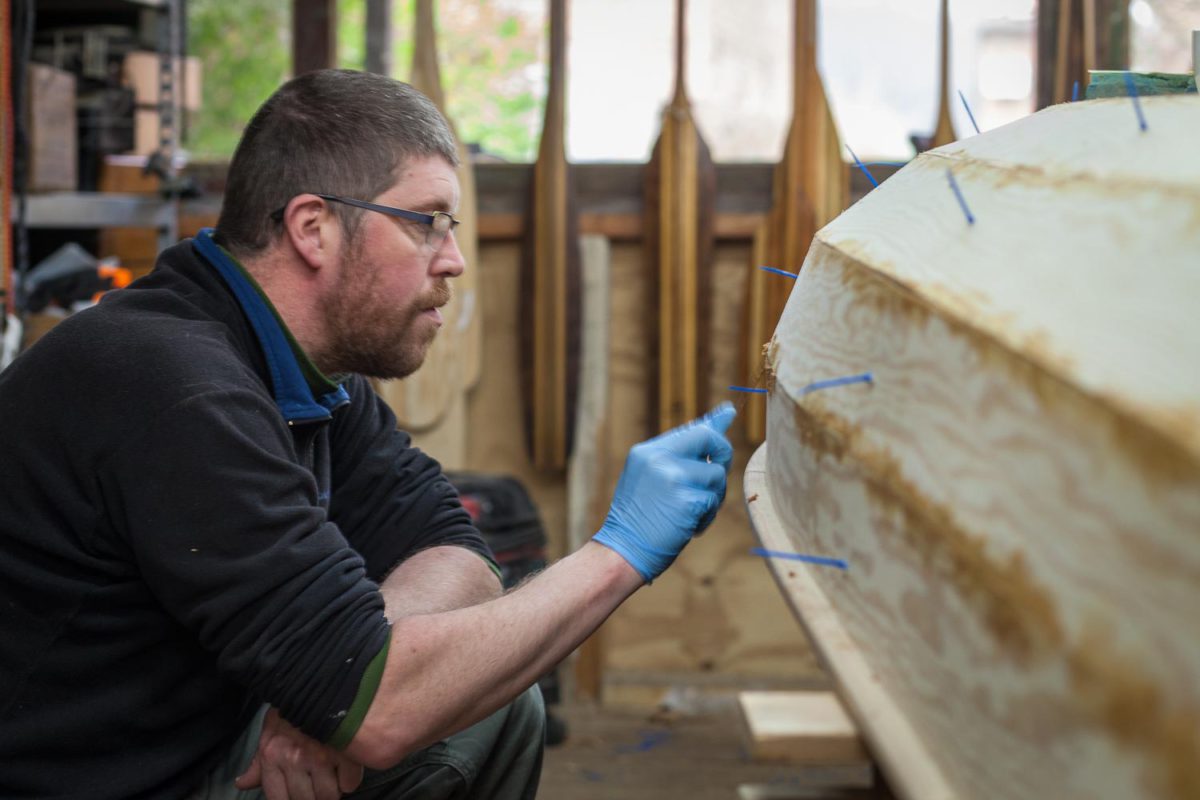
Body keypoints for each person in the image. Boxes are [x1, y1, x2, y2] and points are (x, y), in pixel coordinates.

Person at [0, 69, 735, 800]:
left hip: (192, 746)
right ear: (313, 228)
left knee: (486, 704)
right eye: (426, 221)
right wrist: (619, 555)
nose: (453, 258)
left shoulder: (307, 370)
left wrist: (333, 689)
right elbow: (383, 715)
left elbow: (460, 554)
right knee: (427, 705)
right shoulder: (174, 387)